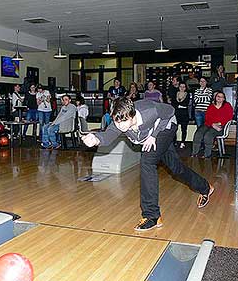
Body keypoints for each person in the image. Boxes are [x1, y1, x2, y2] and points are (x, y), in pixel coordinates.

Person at [82, 97, 213, 231]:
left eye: (124, 121)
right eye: (117, 121)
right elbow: (109, 134)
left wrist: (154, 135)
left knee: (147, 161)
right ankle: (205, 187)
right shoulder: (120, 118)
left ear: (132, 115)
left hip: (166, 127)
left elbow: (170, 111)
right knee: (176, 168)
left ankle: (152, 216)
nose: (120, 125)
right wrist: (96, 138)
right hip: (152, 134)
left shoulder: (148, 110)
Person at [191, 91, 233, 158]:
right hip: (209, 124)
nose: (219, 98)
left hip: (220, 126)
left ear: (224, 99)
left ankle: (207, 155)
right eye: (218, 96)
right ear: (215, 97)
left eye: (221, 97)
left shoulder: (227, 106)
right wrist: (213, 124)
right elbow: (207, 118)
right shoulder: (211, 106)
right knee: (198, 134)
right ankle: (194, 153)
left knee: (208, 135)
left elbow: (229, 117)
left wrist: (219, 123)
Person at [173, 82, 190, 149]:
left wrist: (179, 105)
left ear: (185, 88)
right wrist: (179, 105)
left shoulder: (187, 94)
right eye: (181, 86)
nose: (182, 88)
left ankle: (183, 142)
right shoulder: (175, 93)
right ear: (179, 87)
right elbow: (173, 103)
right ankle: (175, 141)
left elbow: (186, 103)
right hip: (177, 113)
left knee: (184, 129)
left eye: (184, 87)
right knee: (175, 128)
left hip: (184, 113)